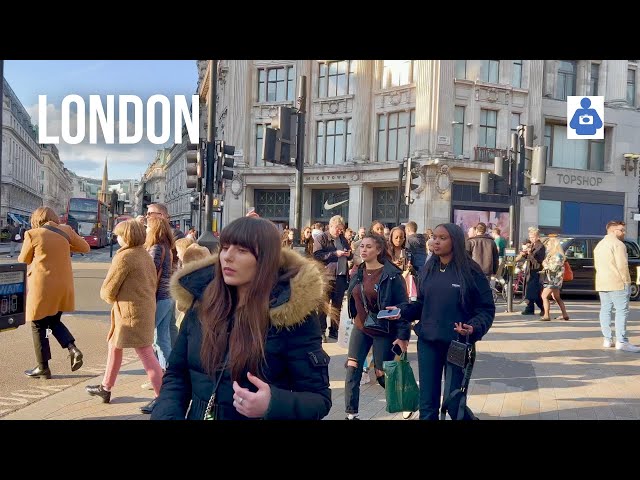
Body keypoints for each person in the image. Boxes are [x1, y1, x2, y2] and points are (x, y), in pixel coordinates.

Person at [151, 216, 332, 420]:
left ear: (265, 259)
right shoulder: (202, 303)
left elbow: (319, 399)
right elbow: (176, 375)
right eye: (225, 248)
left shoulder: (292, 317)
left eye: (242, 251)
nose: (228, 257)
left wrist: (272, 404)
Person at [387, 223, 494, 420]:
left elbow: (486, 309)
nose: (435, 241)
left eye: (442, 238)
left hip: (457, 344)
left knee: (454, 404)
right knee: (427, 404)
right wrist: (402, 311)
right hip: (428, 342)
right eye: (434, 237)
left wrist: (474, 327)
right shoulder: (429, 267)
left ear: (455, 241)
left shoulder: (472, 270)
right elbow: (422, 304)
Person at [86, 220, 164, 404]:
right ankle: (105, 387)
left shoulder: (125, 257)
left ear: (126, 237)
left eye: (119, 235)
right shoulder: (144, 254)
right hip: (143, 309)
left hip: (130, 313)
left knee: (145, 352)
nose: (117, 238)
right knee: (115, 346)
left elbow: (108, 289)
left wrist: (109, 297)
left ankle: (162, 397)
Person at [19, 207, 91, 378]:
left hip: (42, 286)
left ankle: (43, 367)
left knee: (37, 324)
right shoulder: (66, 230)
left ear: (36, 219)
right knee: (53, 321)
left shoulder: (32, 234)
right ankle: (72, 348)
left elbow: (23, 260)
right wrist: (65, 246)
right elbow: (85, 247)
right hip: (63, 285)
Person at [344, 233, 410, 420]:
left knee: (382, 374)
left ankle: (406, 401)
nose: (363, 250)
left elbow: (404, 308)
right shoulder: (358, 271)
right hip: (361, 327)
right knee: (352, 367)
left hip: (383, 330)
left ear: (379, 250)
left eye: (369, 247)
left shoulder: (392, 275)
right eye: (362, 246)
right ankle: (351, 414)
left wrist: (403, 336)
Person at [594, 221, 640, 352]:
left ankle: (607, 339)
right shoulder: (618, 244)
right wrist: (627, 282)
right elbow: (622, 265)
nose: (624, 232)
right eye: (622, 230)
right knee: (621, 311)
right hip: (617, 282)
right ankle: (622, 341)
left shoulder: (599, 245)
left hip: (602, 282)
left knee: (605, 310)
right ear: (614, 231)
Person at [313, 215, 353, 341]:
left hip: (341, 276)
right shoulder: (322, 238)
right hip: (326, 276)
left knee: (337, 305)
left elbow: (350, 255)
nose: (339, 231)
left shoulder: (342, 239)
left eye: (341, 229)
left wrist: (349, 254)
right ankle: (321, 330)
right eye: (337, 228)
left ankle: (334, 331)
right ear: (330, 226)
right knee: (323, 305)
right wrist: (334, 253)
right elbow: (317, 256)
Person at [539, 237, 569, 321]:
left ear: (553, 245)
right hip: (555, 279)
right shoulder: (552, 255)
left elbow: (553, 268)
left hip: (553, 279)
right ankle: (564, 314)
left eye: (548, 244)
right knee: (556, 297)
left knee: (544, 296)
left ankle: (546, 315)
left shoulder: (558, 256)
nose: (547, 246)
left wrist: (545, 264)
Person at [521, 227, 546, 316]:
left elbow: (539, 260)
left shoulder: (541, 246)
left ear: (537, 236)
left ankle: (543, 308)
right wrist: (524, 254)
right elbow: (529, 258)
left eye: (533, 237)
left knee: (534, 292)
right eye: (530, 237)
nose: (531, 239)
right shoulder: (532, 245)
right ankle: (530, 308)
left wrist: (530, 253)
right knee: (529, 290)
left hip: (536, 271)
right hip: (530, 270)